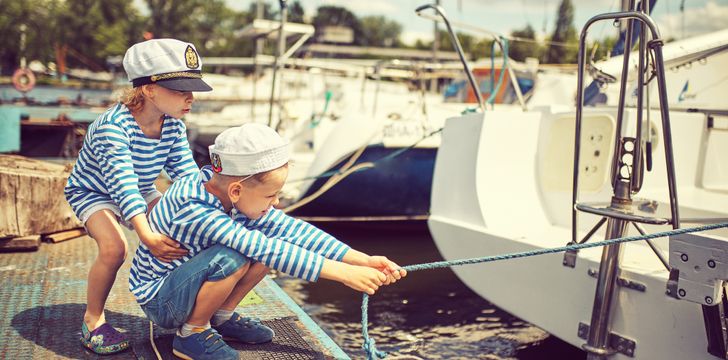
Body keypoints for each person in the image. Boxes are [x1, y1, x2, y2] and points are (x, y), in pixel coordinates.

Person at [129, 123, 407, 360]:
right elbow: (264, 248)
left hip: (185, 285)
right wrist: (343, 274)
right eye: (270, 195)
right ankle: (192, 333)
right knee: (235, 255)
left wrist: (361, 259)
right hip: (160, 300)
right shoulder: (194, 206)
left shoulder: (230, 196)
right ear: (236, 190)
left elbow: (293, 231)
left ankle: (221, 317)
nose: (276, 202)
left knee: (268, 239)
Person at [64, 38, 213, 354]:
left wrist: (211, 207)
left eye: (193, 89)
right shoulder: (113, 128)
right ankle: (92, 321)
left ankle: (193, 311)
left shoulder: (172, 125)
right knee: (114, 248)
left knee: (181, 230)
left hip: (142, 187)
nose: (191, 98)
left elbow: (186, 176)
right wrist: (145, 233)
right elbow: (122, 186)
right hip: (94, 191)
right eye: (181, 90)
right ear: (149, 90)